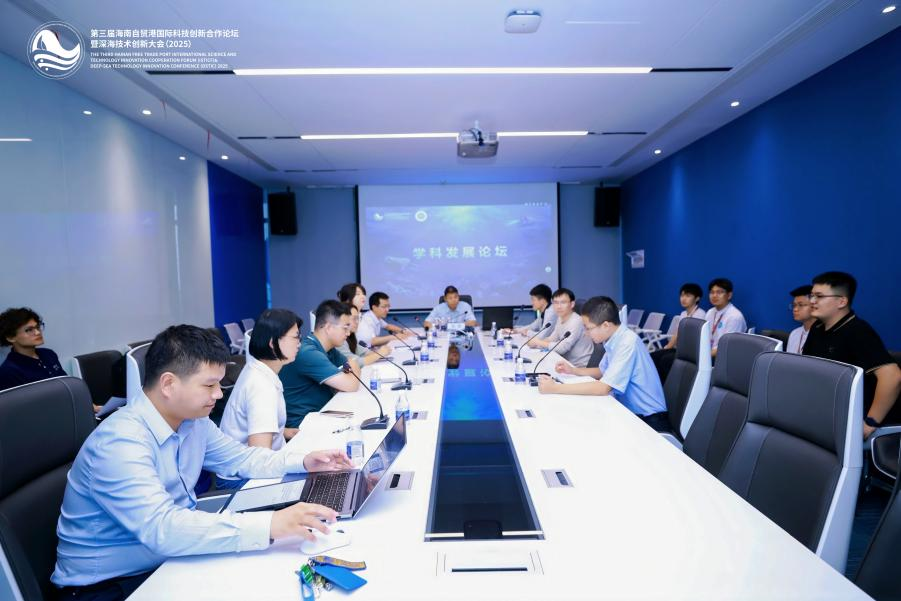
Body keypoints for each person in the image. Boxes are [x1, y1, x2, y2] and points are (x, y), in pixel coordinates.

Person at [51, 325, 352, 600]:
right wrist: (271, 524)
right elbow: (162, 529)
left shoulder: (192, 421)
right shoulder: (120, 442)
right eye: (209, 386)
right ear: (168, 384)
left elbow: (241, 458)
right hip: (108, 587)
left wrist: (304, 461)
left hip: (167, 558)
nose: (218, 395)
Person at [537, 296, 668, 430]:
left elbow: (603, 388)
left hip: (650, 420)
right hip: (629, 412)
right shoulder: (613, 339)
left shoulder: (627, 343)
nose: (586, 333)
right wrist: (573, 370)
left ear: (606, 325)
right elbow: (602, 371)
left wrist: (554, 388)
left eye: (588, 328)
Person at [802, 271, 901, 438]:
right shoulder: (817, 328)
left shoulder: (858, 331)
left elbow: (893, 377)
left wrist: (870, 422)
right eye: (811, 295)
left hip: (850, 418)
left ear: (842, 301)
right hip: (826, 411)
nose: (812, 301)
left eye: (819, 296)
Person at [216, 309, 302, 490]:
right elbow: (260, 458)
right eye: (295, 337)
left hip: (245, 470)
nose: (299, 343)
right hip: (242, 480)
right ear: (273, 343)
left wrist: (282, 431)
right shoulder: (261, 385)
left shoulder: (259, 370)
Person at [280, 300, 362, 428]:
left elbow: (352, 368)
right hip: (303, 425)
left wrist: (352, 365)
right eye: (345, 328)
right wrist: (352, 365)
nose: (348, 333)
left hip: (323, 414)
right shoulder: (308, 353)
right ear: (328, 328)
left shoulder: (329, 349)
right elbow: (351, 384)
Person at [0, 307, 67, 393]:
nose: (38, 332)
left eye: (37, 327)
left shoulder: (49, 354)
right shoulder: (8, 371)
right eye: (29, 330)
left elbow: (67, 384)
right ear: (11, 337)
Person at [527, 288, 594, 368]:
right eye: (555, 303)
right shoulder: (560, 318)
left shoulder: (576, 321)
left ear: (572, 304)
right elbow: (553, 338)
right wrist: (535, 343)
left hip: (579, 367)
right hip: (566, 363)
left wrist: (538, 342)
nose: (559, 306)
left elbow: (562, 348)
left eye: (563, 302)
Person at [705, 278, 747, 359]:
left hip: (726, 358)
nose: (714, 295)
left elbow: (727, 346)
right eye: (712, 292)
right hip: (709, 354)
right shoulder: (710, 312)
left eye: (719, 292)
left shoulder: (735, 316)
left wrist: (703, 356)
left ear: (729, 295)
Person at [664, 283, 706, 350]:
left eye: (688, 296)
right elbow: (677, 333)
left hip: (693, 349)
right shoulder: (683, 314)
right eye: (682, 295)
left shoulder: (701, 314)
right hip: (680, 347)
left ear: (697, 298)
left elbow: (697, 338)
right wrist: (667, 347)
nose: (683, 299)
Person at [786, 285, 815, 354]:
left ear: (815, 306)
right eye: (794, 305)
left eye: (801, 305)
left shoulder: (823, 335)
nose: (795, 309)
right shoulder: (794, 334)